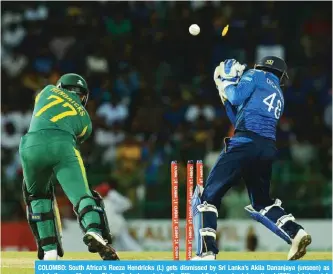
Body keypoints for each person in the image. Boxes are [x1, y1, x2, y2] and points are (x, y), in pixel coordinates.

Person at [192, 57, 312, 260]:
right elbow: (239, 117)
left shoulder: (255, 74)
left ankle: (206, 252)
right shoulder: (279, 94)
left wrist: (227, 82)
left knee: (206, 198)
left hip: (244, 142)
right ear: (280, 75)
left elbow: (237, 98)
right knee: (262, 202)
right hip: (266, 148)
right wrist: (224, 93)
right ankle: (295, 232)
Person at [19, 73, 119, 261]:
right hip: (62, 145)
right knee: (82, 196)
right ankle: (94, 230)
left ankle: (49, 251)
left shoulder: (46, 91)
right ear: (83, 95)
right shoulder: (85, 120)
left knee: (37, 196)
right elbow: (77, 137)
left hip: (30, 145)